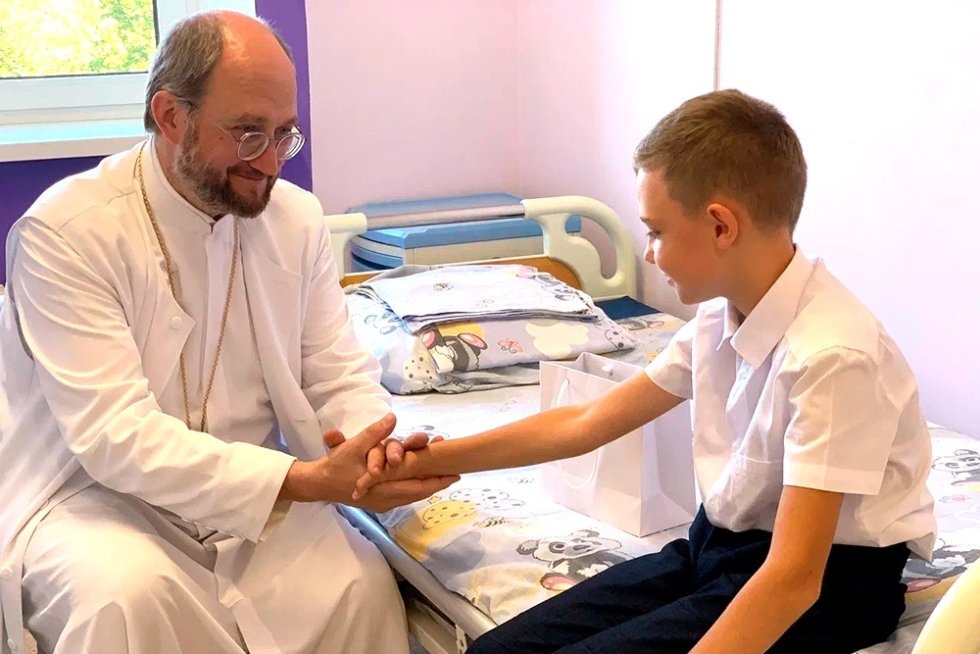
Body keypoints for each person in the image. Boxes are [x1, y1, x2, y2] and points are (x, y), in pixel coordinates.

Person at [355, 89, 937, 653]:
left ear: (721, 226)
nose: (649, 253)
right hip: (719, 549)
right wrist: (427, 460)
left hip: (832, 587)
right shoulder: (717, 323)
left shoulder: (833, 357)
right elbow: (584, 422)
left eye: (656, 231)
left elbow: (793, 580)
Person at [0, 10, 457, 654]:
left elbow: (334, 373)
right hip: (97, 500)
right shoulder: (68, 233)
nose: (269, 162)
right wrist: (300, 481)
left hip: (262, 503)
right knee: (125, 599)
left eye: (283, 134)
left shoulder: (295, 220)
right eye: (247, 134)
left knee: (360, 587)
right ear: (170, 116)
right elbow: (113, 437)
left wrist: (371, 448)